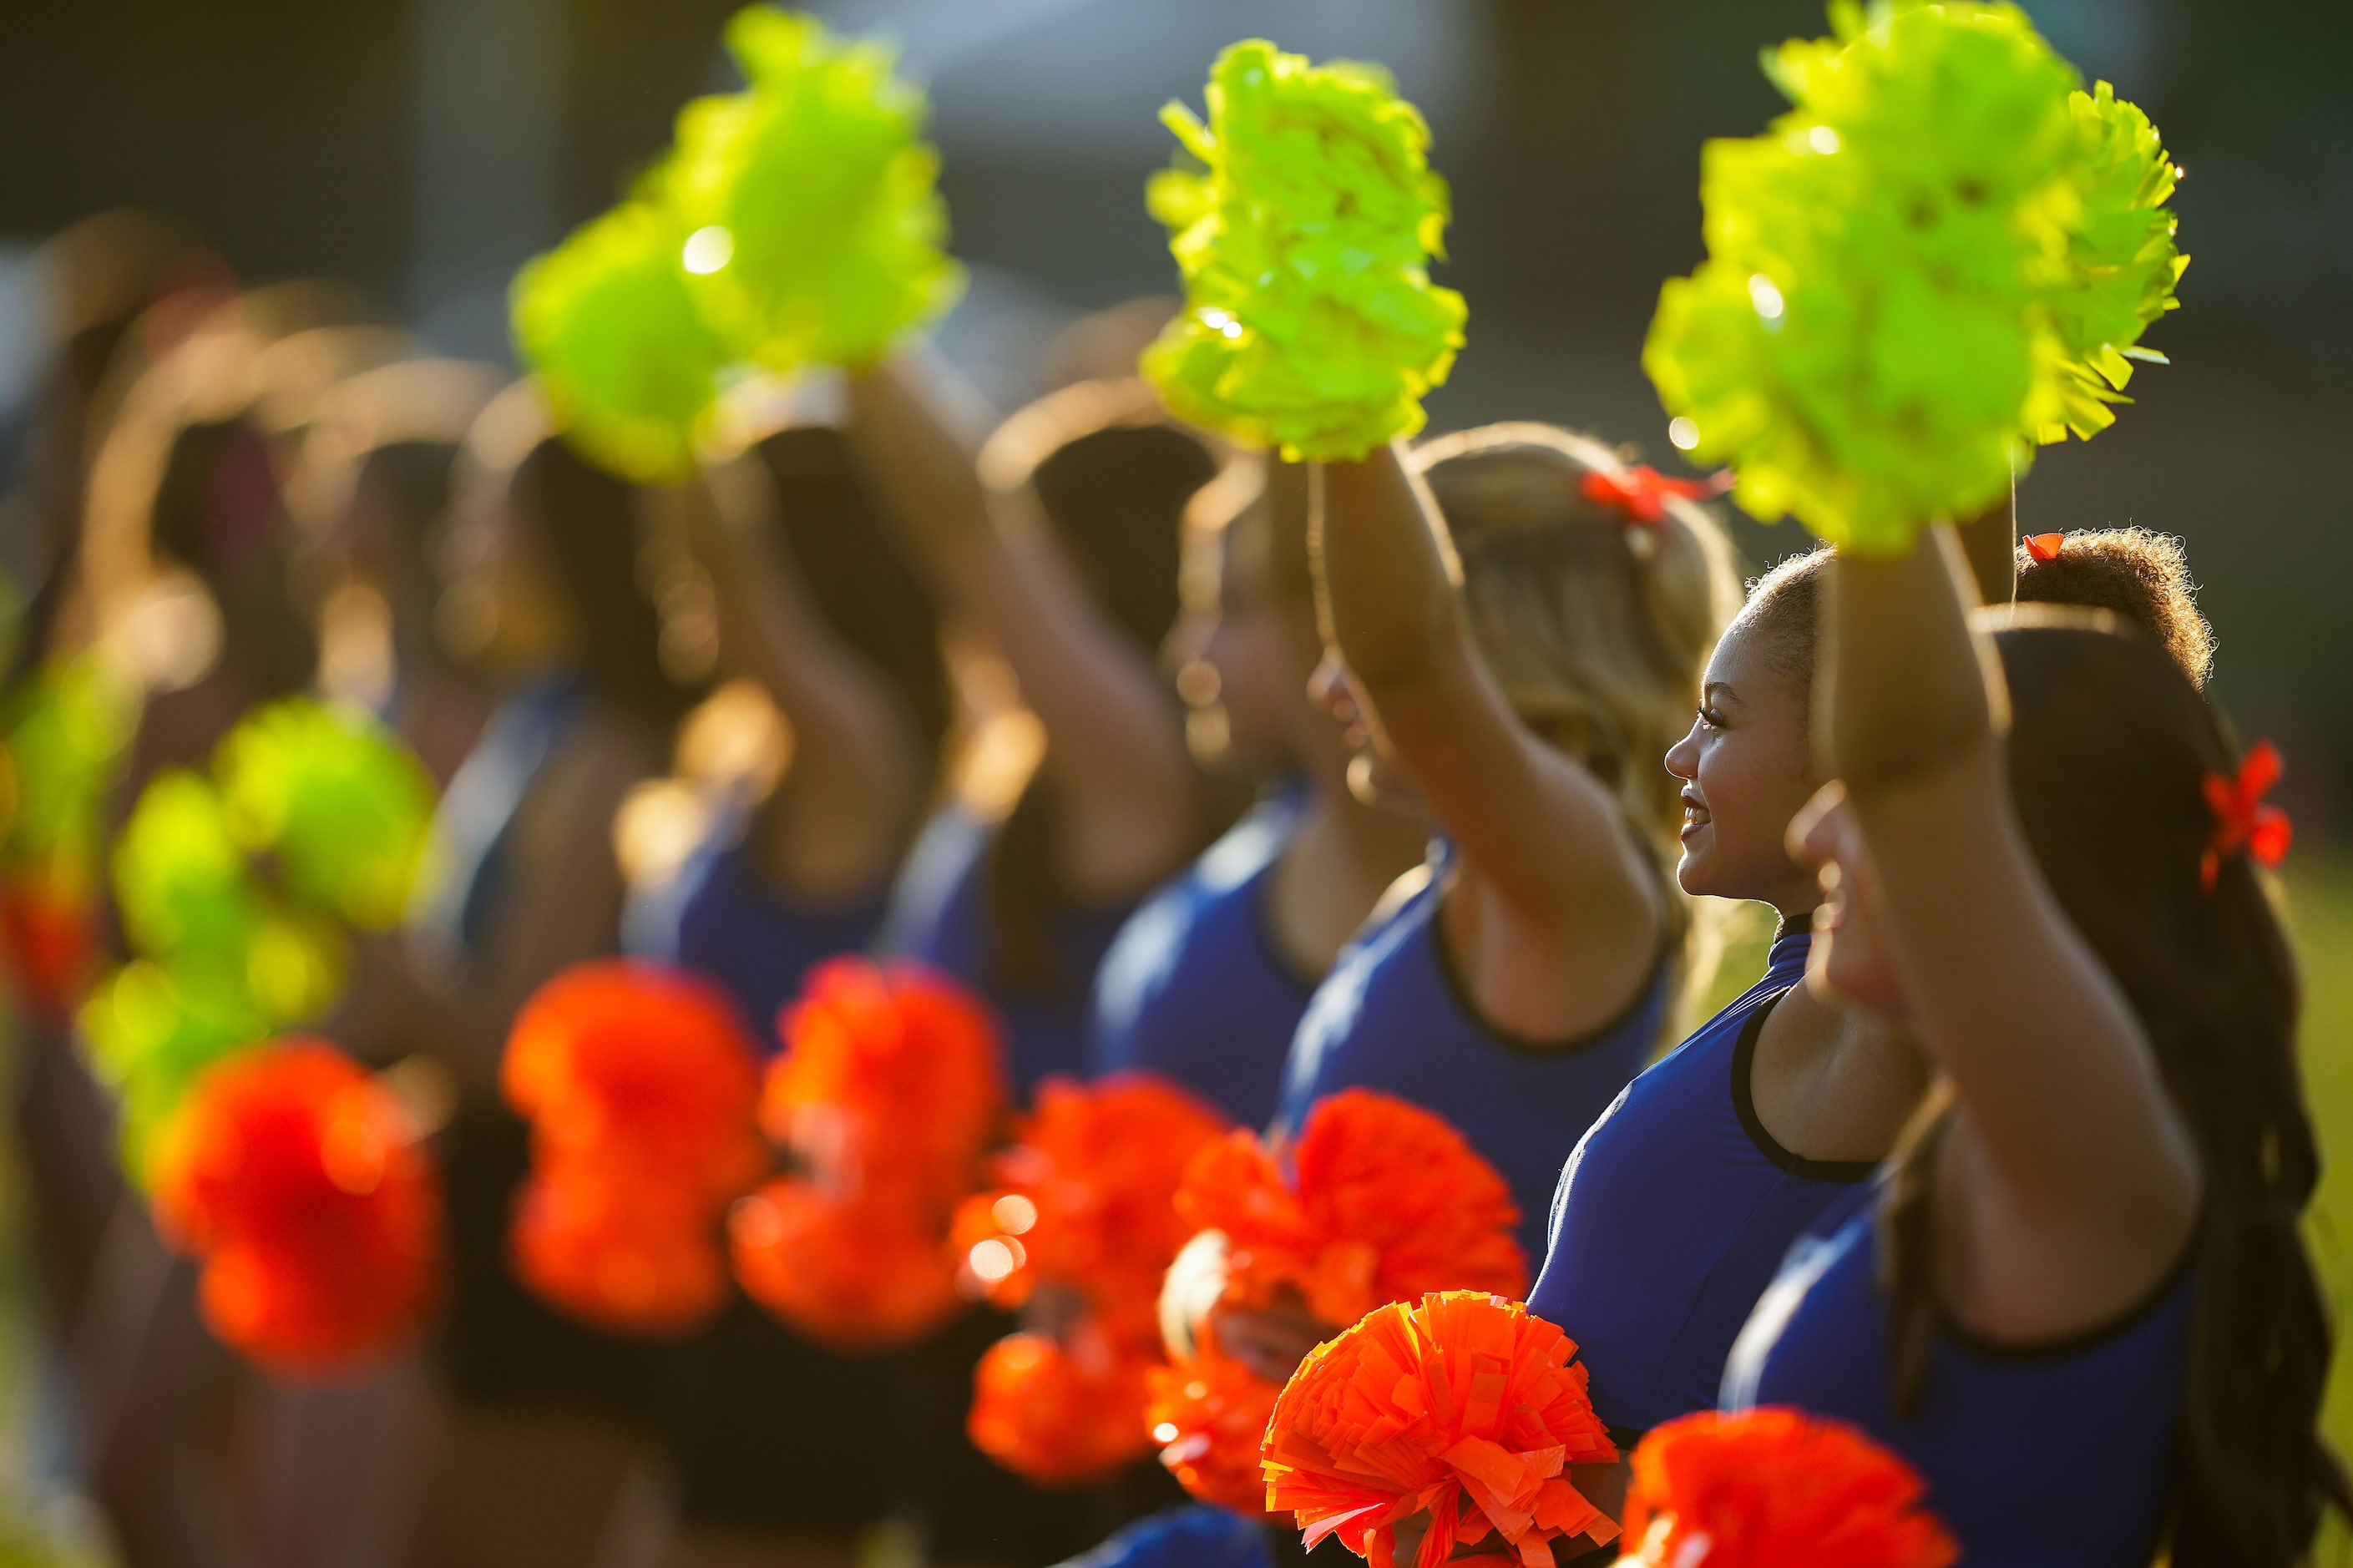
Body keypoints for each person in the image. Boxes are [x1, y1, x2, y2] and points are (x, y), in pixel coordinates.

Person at [1718, 528, 2349, 1565]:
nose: (1813, 835)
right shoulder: (1984, 1132)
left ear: (2014, 861)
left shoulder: (2086, 1147)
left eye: (1865, 800)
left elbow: (1920, 760)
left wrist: (1886, 436)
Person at [352, 384, 702, 1568]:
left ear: (562, 541)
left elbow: (526, 1044)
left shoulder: (606, 747)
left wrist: (357, 938)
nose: (461, 544)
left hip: (548, 1253)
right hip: (486, 1230)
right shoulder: (536, 719)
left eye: (488, 515)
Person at [1273, 427, 1740, 1264]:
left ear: (1493, 637)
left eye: (1351, 643)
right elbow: (1277, 1189)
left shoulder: (1574, 869)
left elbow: (1405, 663)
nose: (1328, 685)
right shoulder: (1440, 881)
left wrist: (1341, 403)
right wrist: (1210, 1301)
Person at [630, 406, 953, 1568]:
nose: (672, 578)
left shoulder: (856, 742)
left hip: (807, 1291)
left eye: (697, 561)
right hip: (718, 1271)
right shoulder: (741, 747)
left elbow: (733, 573)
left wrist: (662, 414)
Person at [858, 362, 1223, 1099]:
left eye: (1033, 558)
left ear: (1085, 575)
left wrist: (858, 349)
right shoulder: (1018, 758)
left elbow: (961, 529)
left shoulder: (1133, 757)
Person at [1089, 459, 1426, 1127]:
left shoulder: (1376, 823)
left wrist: (1299, 401)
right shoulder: (1288, 814)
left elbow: (1299, 584)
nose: (1187, 652)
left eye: (1234, 610)